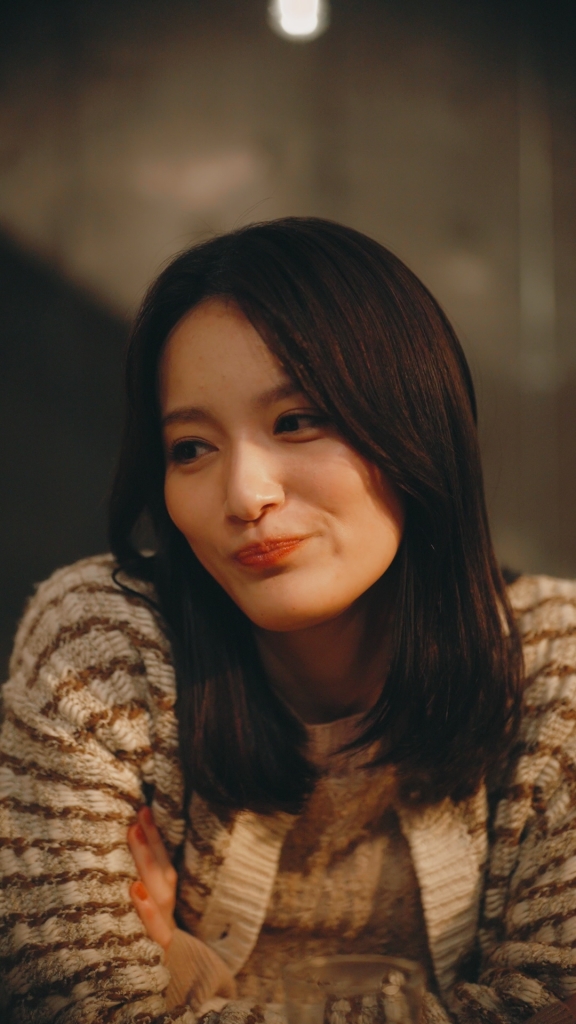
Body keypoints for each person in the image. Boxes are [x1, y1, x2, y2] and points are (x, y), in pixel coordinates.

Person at [1, 217, 576, 1024]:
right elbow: (74, 1003)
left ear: (415, 423)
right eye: (191, 447)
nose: (246, 496)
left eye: (297, 421)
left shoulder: (557, 662)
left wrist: (188, 982)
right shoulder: (99, 642)